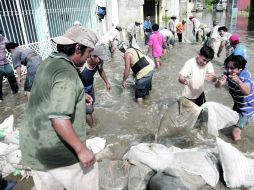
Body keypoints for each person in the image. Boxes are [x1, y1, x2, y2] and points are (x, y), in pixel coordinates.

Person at [19, 26, 99, 190]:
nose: (89, 57)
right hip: (54, 153)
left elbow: (50, 89)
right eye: (89, 52)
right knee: (89, 172)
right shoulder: (67, 73)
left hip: (33, 148)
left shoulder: (49, 61)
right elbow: (59, 118)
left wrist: (79, 94)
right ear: (78, 48)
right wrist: (81, 150)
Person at [215, 55, 254, 141]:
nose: (229, 70)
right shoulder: (228, 72)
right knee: (232, 124)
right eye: (227, 67)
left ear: (240, 69)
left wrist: (239, 82)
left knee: (235, 132)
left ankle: (239, 151)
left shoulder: (245, 77)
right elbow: (217, 86)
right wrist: (220, 82)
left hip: (247, 108)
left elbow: (247, 91)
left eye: (232, 68)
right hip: (237, 104)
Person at [80, 45, 111, 127]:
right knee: (88, 111)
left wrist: (107, 82)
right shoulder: (82, 64)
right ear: (92, 56)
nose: (101, 61)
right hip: (80, 90)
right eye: (100, 59)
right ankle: (92, 130)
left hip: (90, 88)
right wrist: (82, 93)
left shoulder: (99, 63)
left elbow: (101, 71)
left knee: (90, 107)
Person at [0, 30, 18, 102]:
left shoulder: (4, 39)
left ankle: (15, 91)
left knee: (11, 76)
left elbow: (10, 47)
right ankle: (0, 97)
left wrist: (15, 51)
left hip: (6, 63)